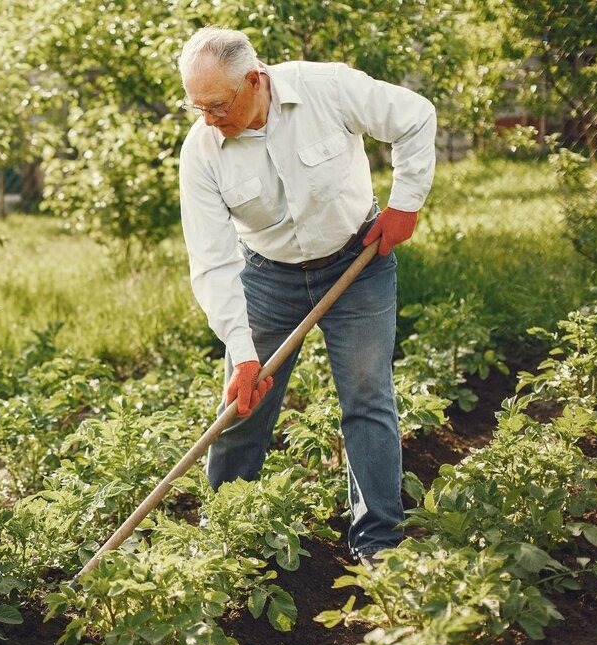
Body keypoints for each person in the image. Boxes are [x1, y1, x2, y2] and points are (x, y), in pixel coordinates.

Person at [176, 27, 436, 563]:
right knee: (243, 404)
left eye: (217, 105)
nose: (208, 119)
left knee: (367, 397)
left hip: (357, 261)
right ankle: (223, 535)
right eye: (197, 106)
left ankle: (379, 543)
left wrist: (405, 203)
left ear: (255, 80)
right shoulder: (202, 151)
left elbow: (415, 116)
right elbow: (213, 261)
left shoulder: (326, 89)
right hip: (267, 277)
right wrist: (244, 355)